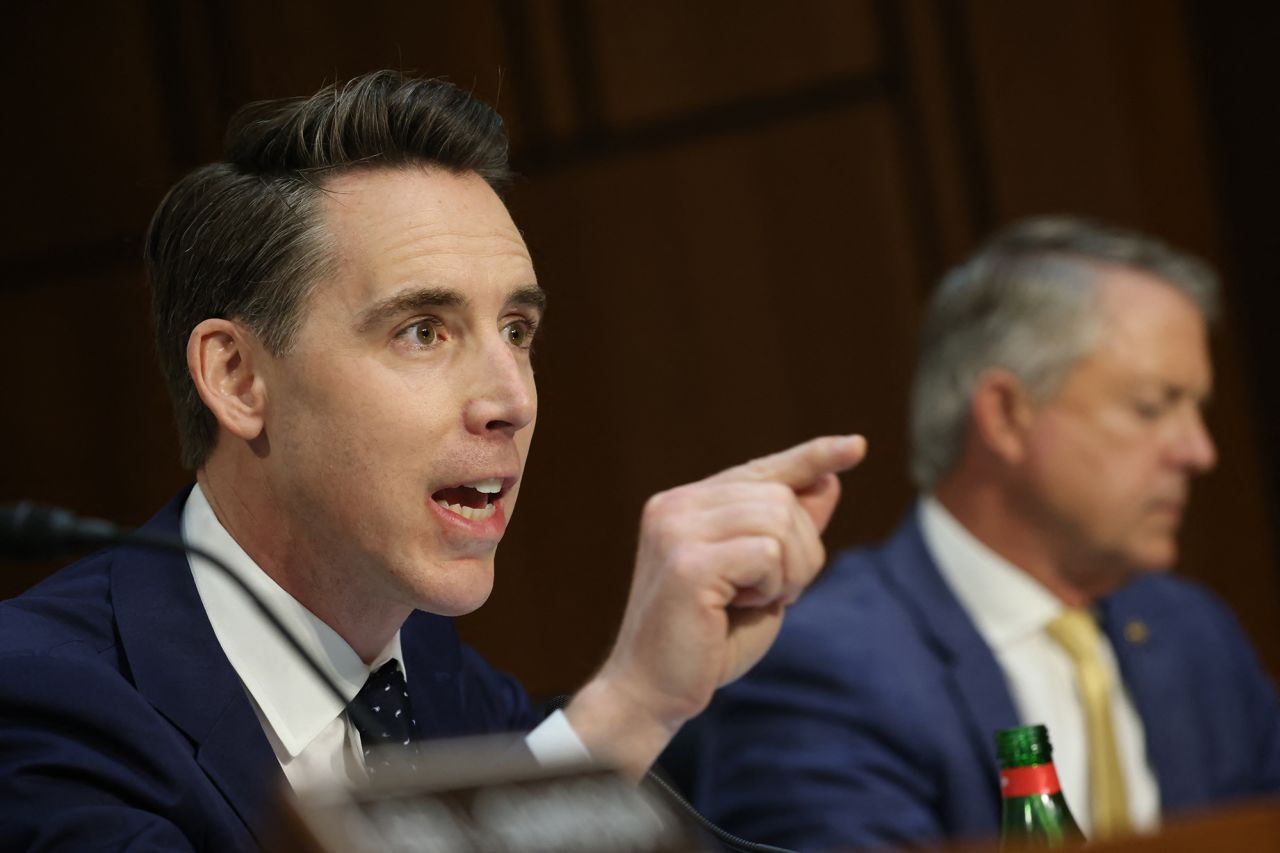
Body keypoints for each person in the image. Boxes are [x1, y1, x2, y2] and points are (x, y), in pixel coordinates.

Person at [0, 70, 867, 851]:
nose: (512, 399)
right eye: (424, 331)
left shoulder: (444, 682)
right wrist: (628, 708)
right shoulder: (42, 703)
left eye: (518, 331)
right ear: (238, 377)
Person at [695, 217, 1280, 851]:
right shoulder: (828, 667)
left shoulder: (1194, 633)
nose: (1199, 452)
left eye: (1197, 410)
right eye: (1151, 407)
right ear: (1006, 415)